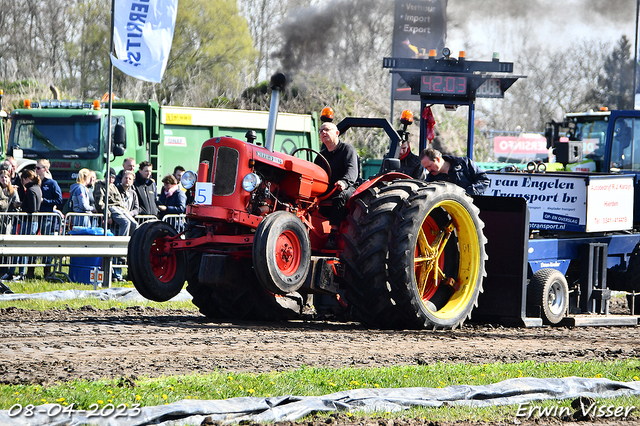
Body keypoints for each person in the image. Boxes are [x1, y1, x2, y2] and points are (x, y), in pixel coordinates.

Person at [313, 122, 359, 250]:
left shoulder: (347, 150)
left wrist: (344, 182)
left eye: (327, 130)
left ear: (337, 133)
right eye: (321, 131)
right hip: (327, 189)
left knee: (340, 196)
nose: (323, 132)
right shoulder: (321, 156)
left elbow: (352, 171)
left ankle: (333, 236)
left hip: (348, 187)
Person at [419, 147, 490, 196]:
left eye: (430, 166)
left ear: (438, 159)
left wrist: (469, 192)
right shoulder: (430, 180)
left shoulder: (464, 163)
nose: (429, 170)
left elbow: (484, 180)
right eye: (426, 168)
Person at [36, 159, 63, 278]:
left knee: (47, 243)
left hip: (47, 217)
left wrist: (44, 201)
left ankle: (47, 270)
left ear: (45, 169)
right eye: (35, 168)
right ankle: (30, 271)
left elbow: (59, 200)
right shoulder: (35, 182)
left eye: (38, 168)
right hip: (36, 217)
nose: (36, 170)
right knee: (33, 243)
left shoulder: (52, 183)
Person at [94, 168, 137, 237]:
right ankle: (122, 243)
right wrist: (108, 215)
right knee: (125, 222)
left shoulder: (113, 186)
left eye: (113, 178)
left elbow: (119, 201)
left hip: (120, 208)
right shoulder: (100, 186)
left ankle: (132, 242)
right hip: (110, 208)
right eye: (109, 177)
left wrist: (125, 210)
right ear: (105, 177)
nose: (111, 180)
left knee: (134, 223)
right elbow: (100, 203)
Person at [16, 169, 42, 280]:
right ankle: (27, 272)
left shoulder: (31, 190)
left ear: (26, 179)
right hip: (34, 222)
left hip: (29, 222)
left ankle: (22, 272)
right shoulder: (37, 188)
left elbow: (32, 208)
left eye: (23, 180)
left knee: (24, 247)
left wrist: (21, 207)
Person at [0, 170, 19, 280]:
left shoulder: (13, 192)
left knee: (5, 243)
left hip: (7, 221)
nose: (4, 179)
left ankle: (5, 269)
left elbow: (17, 204)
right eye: (2, 177)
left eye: (6, 177)